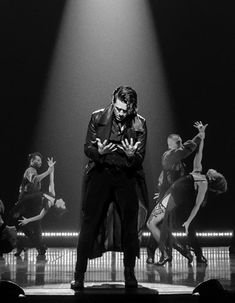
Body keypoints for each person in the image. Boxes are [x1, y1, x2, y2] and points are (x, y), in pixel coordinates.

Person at [71, 86, 148, 290]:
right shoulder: (97, 117)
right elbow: (87, 147)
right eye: (118, 108)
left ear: (132, 107)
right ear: (112, 101)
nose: (121, 113)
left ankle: (129, 274)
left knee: (130, 227)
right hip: (101, 173)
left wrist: (132, 156)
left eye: (126, 110)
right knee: (89, 224)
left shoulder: (140, 123)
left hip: (126, 176)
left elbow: (140, 157)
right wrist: (99, 152)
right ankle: (79, 275)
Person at [157, 122, 227, 265]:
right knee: (171, 226)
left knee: (186, 228)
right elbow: (199, 153)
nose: (215, 170)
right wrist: (203, 137)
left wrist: (189, 221)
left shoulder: (204, 185)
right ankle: (182, 251)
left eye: (217, 173)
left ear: (213, 178)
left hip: (185, 202)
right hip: (177, 197)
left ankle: (196, 255)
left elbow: (196, 206)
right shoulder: (197, 169)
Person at [146, 125, 205, 265]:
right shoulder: (168, 156)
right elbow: (185, 150)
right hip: (170, 198)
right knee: (156, 224)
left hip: (180, 199)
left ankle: (197, 254)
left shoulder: (179, 162)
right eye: (177, 142)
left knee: (188, 226)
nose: (180, 144)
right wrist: (199, 136)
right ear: (169, 144)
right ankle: (156, 253)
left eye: (180, 141)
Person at [9, 153, 57, 257]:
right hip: (26, 201)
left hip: (33, 201)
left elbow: (50, 182)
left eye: (40, 160)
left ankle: (33, 246)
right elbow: (34, 179)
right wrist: (48, 171)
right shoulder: (30, 170)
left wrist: (51, 170)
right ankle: (35, 246)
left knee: (34, 226)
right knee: (23, 225)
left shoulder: (34, 171)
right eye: (38, 160)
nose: (40, 162)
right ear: (32, 161)